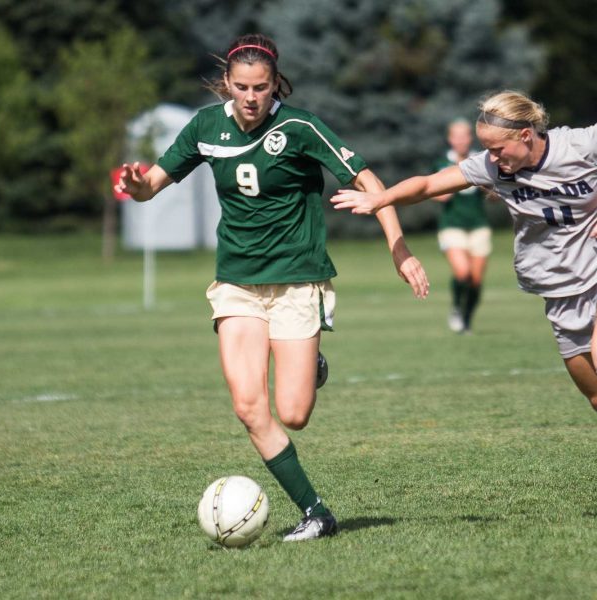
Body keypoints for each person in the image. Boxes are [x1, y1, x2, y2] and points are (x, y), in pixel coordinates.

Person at [115, 34, 429, 541]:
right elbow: (150, 185)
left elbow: (372, 182)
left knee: (294, 413)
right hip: (237, 283)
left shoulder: (300, 126)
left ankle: (310, 364)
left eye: (261, 87)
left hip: (297, 283)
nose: (251, 97)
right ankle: (316, 512)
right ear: (227, 84)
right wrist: (135, 186)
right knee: (247, 407)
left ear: (274, 83)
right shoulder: (204, 126)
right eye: (241, 87)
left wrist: (400, 248)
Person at [332, 90, 597, 512]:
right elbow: (427, 185)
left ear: (526, 135)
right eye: (487, 150)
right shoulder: (491, 167)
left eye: (499, 149)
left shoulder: (581, 143)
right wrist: (380, 198)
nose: (493, 158)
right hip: (560, 293)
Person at [431, 119, 492, 334]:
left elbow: (494, 197)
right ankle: (457, 307)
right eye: (456, 136)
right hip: (452, 225)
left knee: (475, 279)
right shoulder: (442, 163)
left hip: (478, 225)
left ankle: (467, 319)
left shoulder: (482, 160)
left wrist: (488, 187)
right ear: (450, 139)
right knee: (462, 272)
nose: (460, 140)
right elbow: (435, 194)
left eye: (464, 135)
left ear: (470, 138)